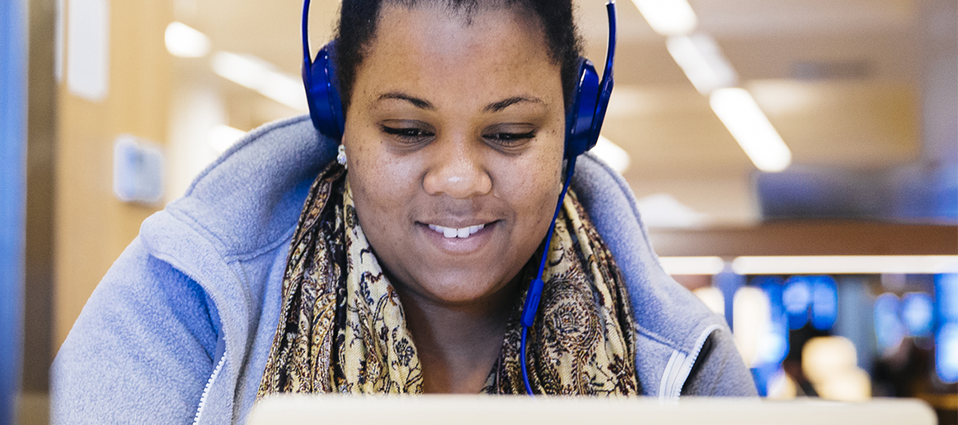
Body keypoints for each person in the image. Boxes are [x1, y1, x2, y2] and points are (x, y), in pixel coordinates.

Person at [52, 0, 757, 423]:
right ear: (337, 118)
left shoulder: (687, 365)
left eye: (509, 135)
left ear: (575, 127)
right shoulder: (176, 304)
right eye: (406, 130)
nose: (457, 180)